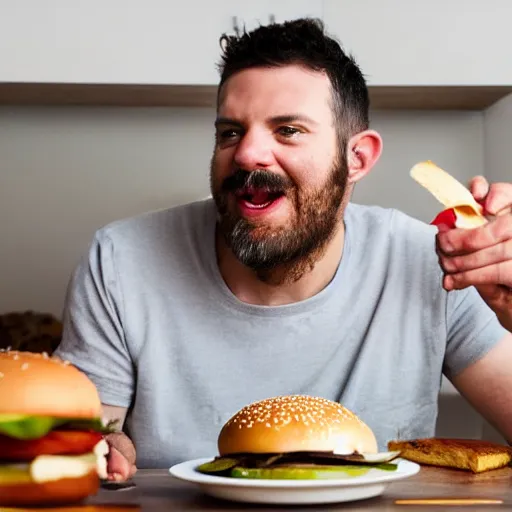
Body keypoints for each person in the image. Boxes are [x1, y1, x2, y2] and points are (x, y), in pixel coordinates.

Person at [54, 18, 512, 481]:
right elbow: (79, 443)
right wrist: (97, 451)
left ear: (357, 158)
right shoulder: (121, 260)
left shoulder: (431, 261)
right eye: (230, 132)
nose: (248, 153)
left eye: (288, 130)